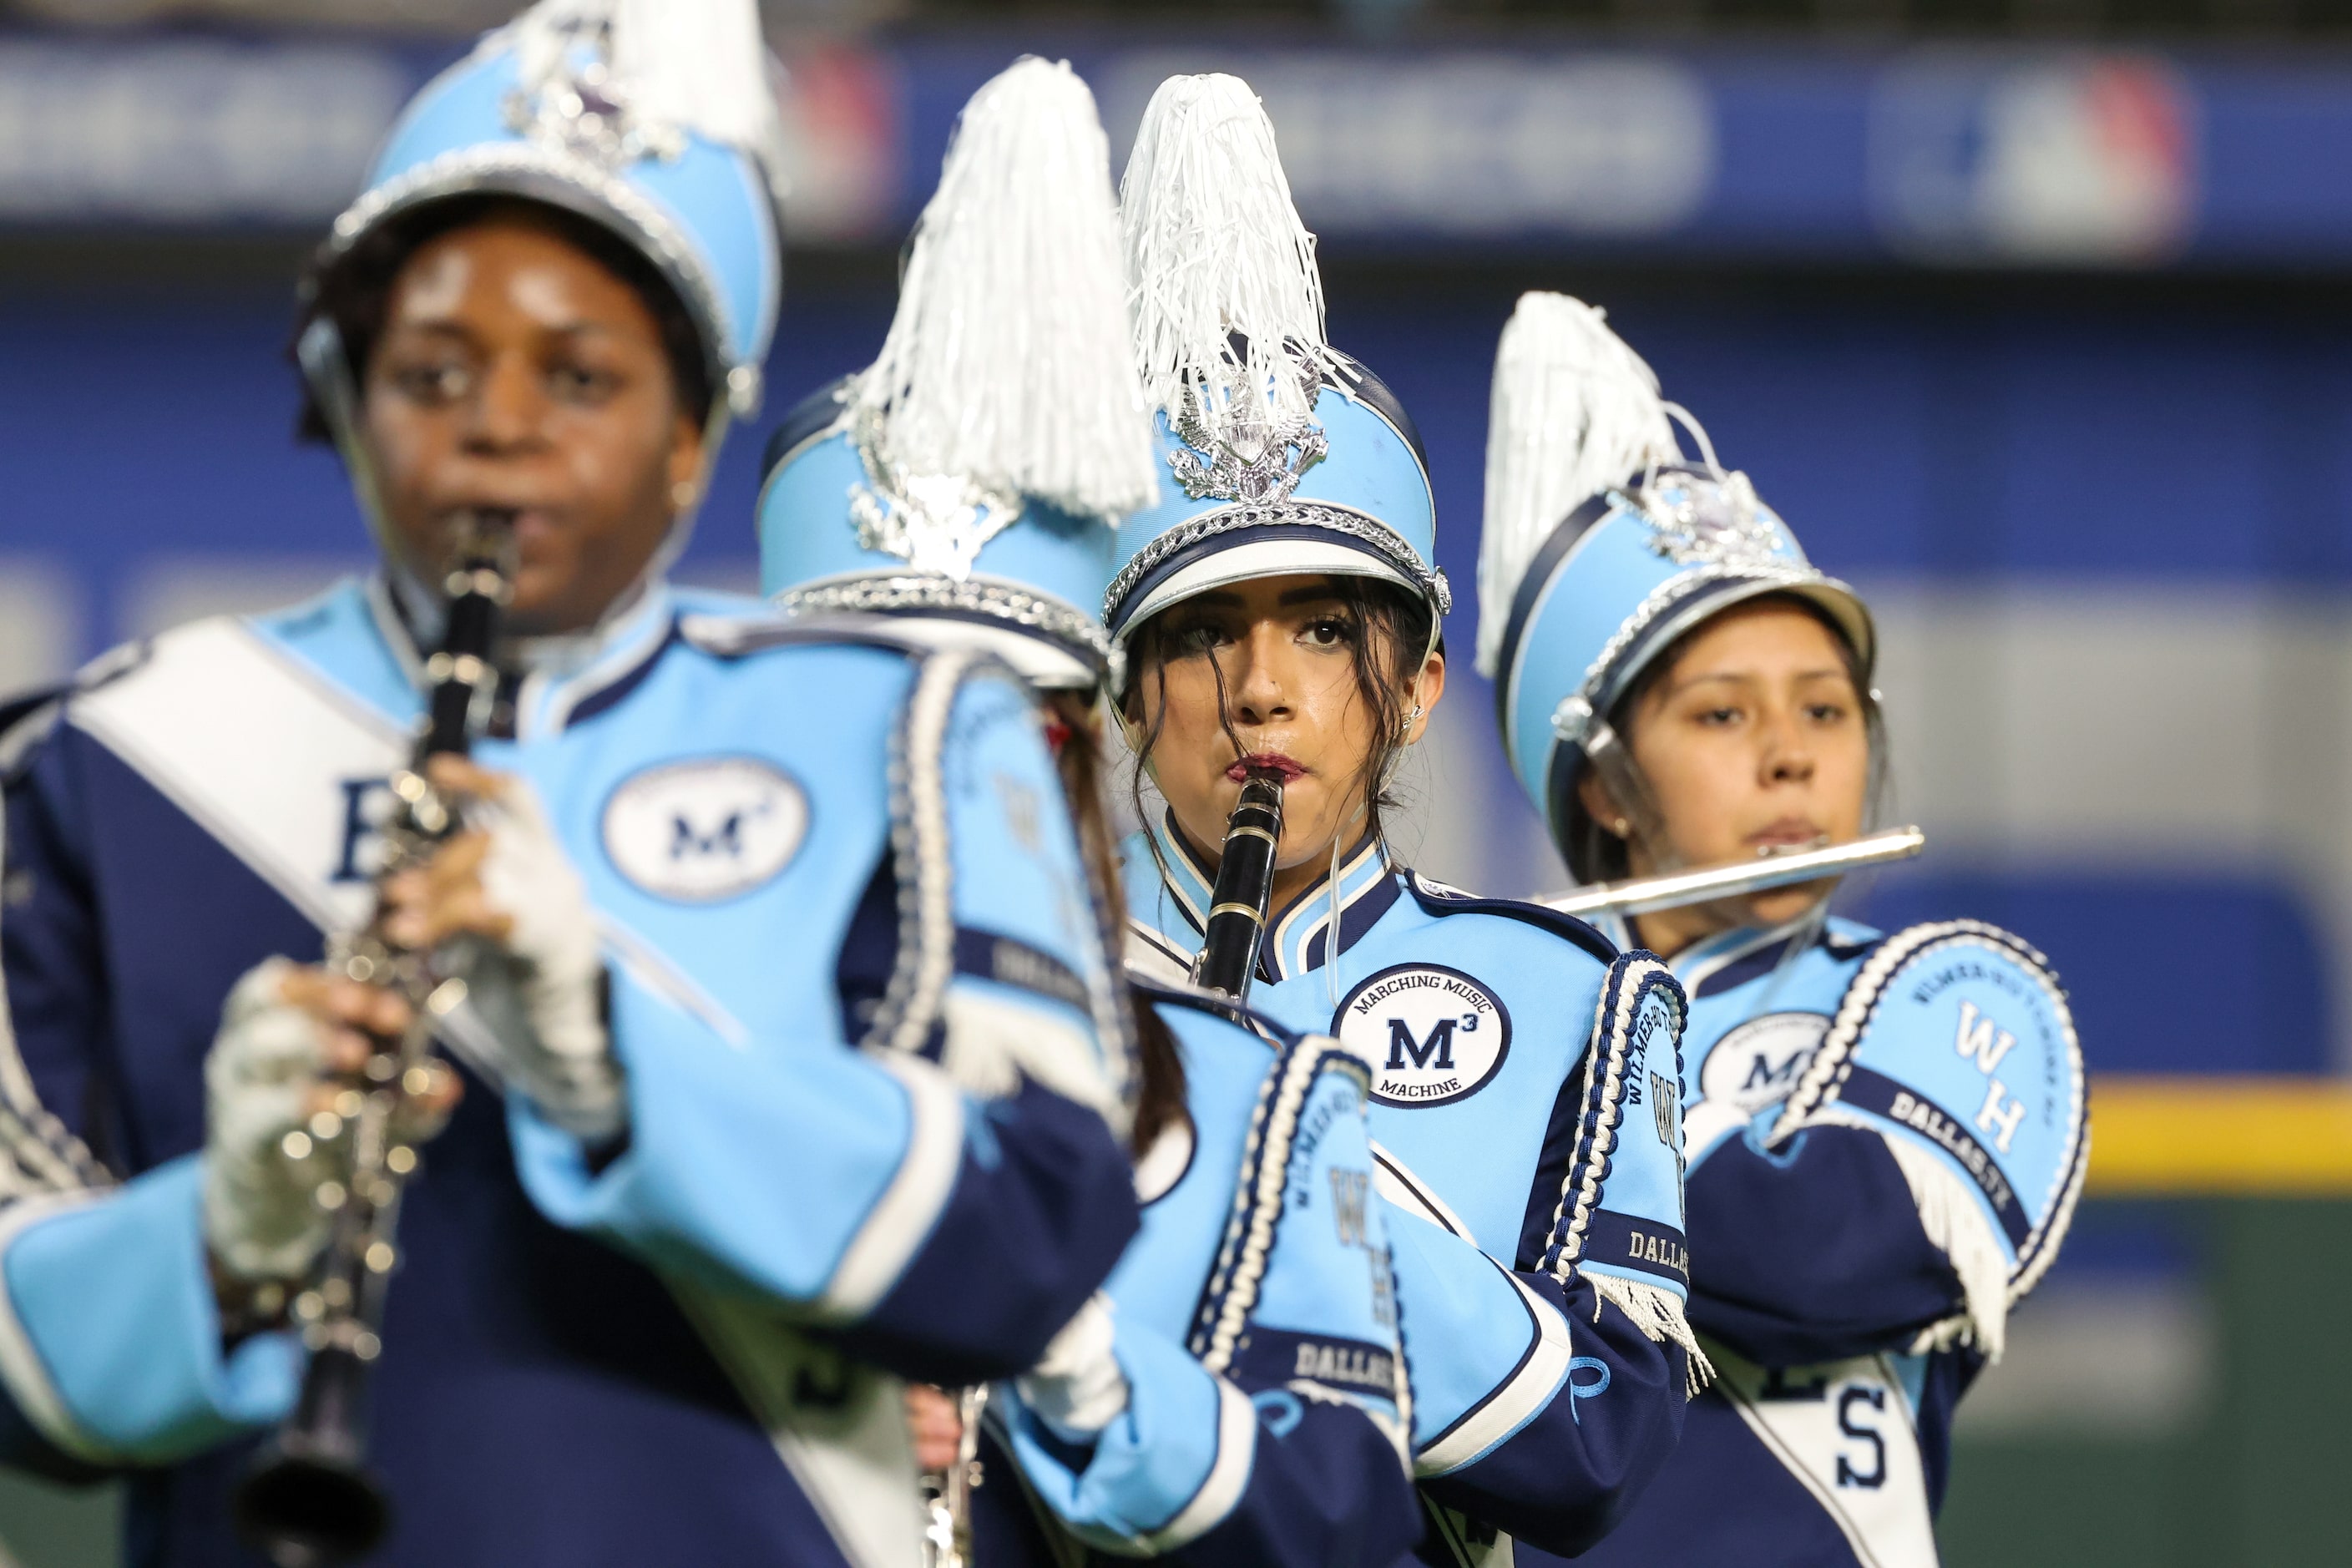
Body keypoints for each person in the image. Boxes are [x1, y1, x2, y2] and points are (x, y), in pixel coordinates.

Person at [0, 6, 1141, 1563]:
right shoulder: (121, 755)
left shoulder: (905, 729)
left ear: (691, 437)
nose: (501, 431)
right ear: (342, 398)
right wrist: (216, 1244)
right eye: (433, 370)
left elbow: (1038, 1229)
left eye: (582, 376)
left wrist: (614, 1061)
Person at [760, 57, 1422, 1565]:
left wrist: (1078, 1377)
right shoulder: (655, 1038)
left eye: (988, 723)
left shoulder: (1254, 1096)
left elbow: (1341, 1517)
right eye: (873, 704)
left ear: (1070, 742)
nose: (924, 769)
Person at [1105, 74, 1700, 1565]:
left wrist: (1285, 1148)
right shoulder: (1011, 991)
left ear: (1418, 684)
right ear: (1125, 693)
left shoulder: (1575, 1003)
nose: (1257, 690)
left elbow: (1591, 1447)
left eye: (1319, 630)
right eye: (1197, 635)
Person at [1475, 291, 2090, 1567]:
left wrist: (1498, 1121)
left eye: (1824, 710)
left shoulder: (1950, 994)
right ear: (1598, 782)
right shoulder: (1500, 1014)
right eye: (1719, 715)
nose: (1788, 758)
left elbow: (1830, 1252)